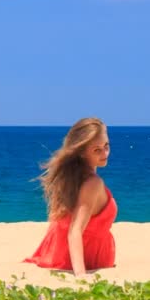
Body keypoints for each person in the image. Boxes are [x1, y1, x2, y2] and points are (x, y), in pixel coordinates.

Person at [23, 117, 117, 277]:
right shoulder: (93, 183)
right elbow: (75, 230)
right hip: (86, 257)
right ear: (81, 152)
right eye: (97, 150)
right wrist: (80, 275)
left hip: (56, 250)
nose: (105, 153)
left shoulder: (72, 178)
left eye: (106, 146)